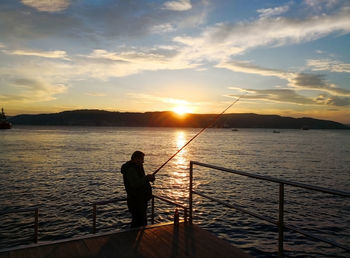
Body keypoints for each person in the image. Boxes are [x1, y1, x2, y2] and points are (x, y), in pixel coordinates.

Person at [121, 151, 155, 228]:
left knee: (140, 221)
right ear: (136, 159)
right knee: (138, 222)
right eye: (142, 159)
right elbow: (135, 184)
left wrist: (149, 179)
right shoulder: (130, 169)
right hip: (136, 200)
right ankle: (134, 238)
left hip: (140, 199)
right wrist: (146, 178)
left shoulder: (137, 167)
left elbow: (141, 180)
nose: (143, 161)